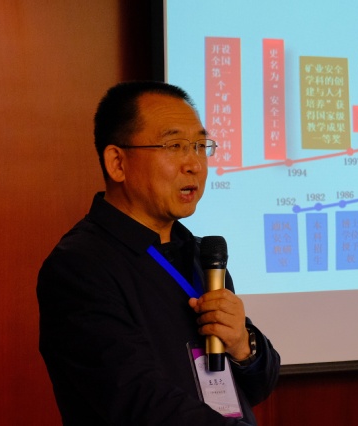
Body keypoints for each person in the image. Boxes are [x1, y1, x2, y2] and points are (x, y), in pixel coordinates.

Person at [37, 81, 280, 425]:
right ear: (117, 162)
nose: (194, 164)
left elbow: (256, 386)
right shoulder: (79, 267)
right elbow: (139, 402)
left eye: (200, 146)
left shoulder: (201, 256)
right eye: (175, 146)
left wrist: (242, 345)